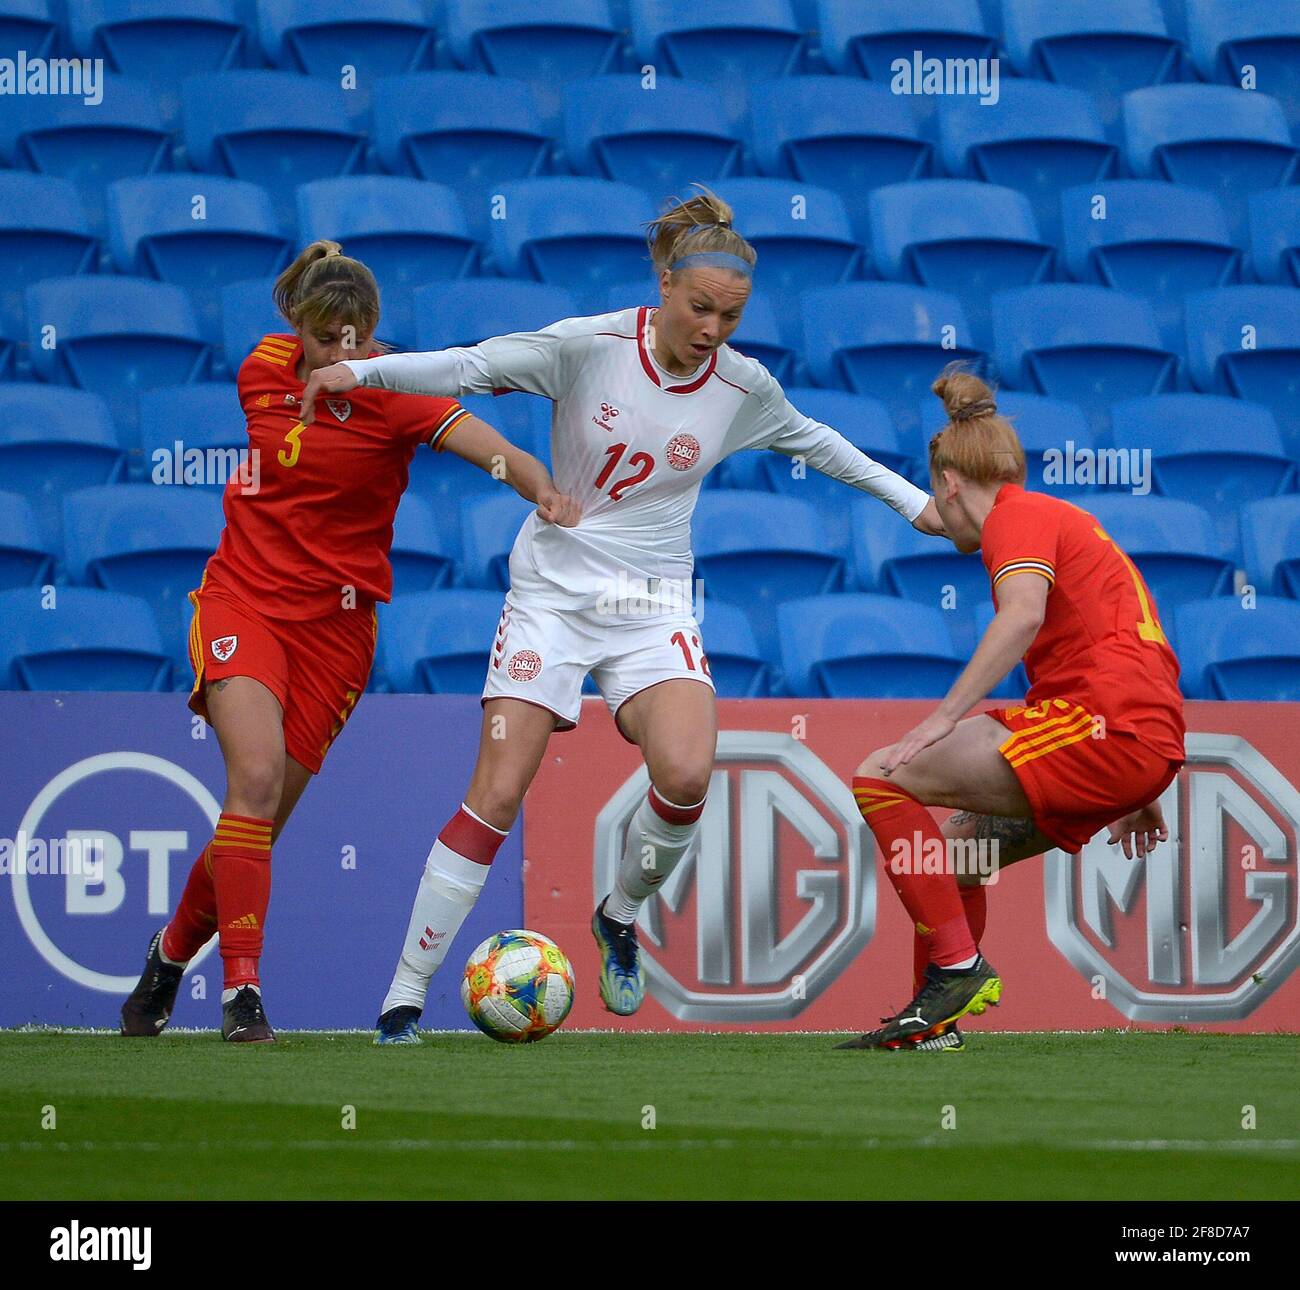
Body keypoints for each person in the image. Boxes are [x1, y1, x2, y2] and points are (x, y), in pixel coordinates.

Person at [300, 188, 947, 1044]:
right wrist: (361, 371)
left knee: (685, 774)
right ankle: (404, 998)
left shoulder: (742, 389)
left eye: (732, 315)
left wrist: (917, 507)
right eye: (700, 307)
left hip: (649, 605)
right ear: (665, 283)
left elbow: (822, 444)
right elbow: (466, 364)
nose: (714, 329)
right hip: (553, 598)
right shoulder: (586, 347)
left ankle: (616, 915)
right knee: (496, 790)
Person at [120, 240, 576, 1043]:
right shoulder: (262, 367)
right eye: (326, 337)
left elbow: (487, 447)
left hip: (337, 631)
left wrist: (540, 488)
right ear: (297, 326)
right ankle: (243, 995)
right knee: (253, 781)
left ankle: (166, 956)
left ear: (374, 331)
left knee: (257, 819)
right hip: (243, 604)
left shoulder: (399, 387)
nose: (341, 353)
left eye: (356, 337)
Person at [842, 366, 1186, 1052]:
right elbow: (1122, 644)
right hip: (1136, 740)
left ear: (950, 484)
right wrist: (1135, 781)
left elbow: (1022, 615)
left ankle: (958, 968)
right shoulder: (1062, 517)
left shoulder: (1015, 517)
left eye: (938, 506)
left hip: (1106, 731)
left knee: (880, 775)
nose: (937, 524)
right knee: (958, 856)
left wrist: (944, 716)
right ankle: (931, 1028)